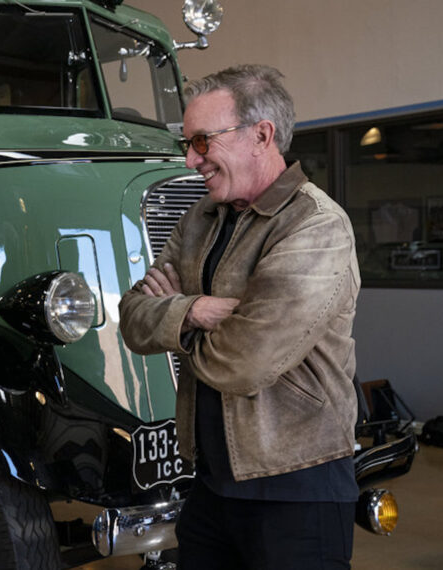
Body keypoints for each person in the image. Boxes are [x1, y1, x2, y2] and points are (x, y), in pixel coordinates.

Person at [118, 64, 360, 569]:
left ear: (261, 135)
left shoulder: (316, 225)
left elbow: (245, 361)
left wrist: (173, 319)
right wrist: (197, 310)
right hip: (210, 484)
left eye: (203, 142)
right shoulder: (198, 220)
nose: (190, 159)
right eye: (187, 144)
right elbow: (133, 318)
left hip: (296, 487)